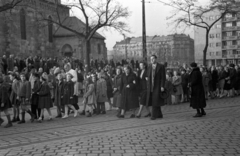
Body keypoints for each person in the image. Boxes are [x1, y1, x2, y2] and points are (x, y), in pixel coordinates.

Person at [146, 55, 166, 120]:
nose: (152, 60)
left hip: (158, 86)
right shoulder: (149, 67)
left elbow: (163, 77)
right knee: (155, 100)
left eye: (153, 58)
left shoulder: (161, 66)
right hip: (151, 86)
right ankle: (159, 114)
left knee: (155, 100)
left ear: (156, 59)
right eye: (151, 59)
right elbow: (148, 77)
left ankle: (153, 115)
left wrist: (162, 86)